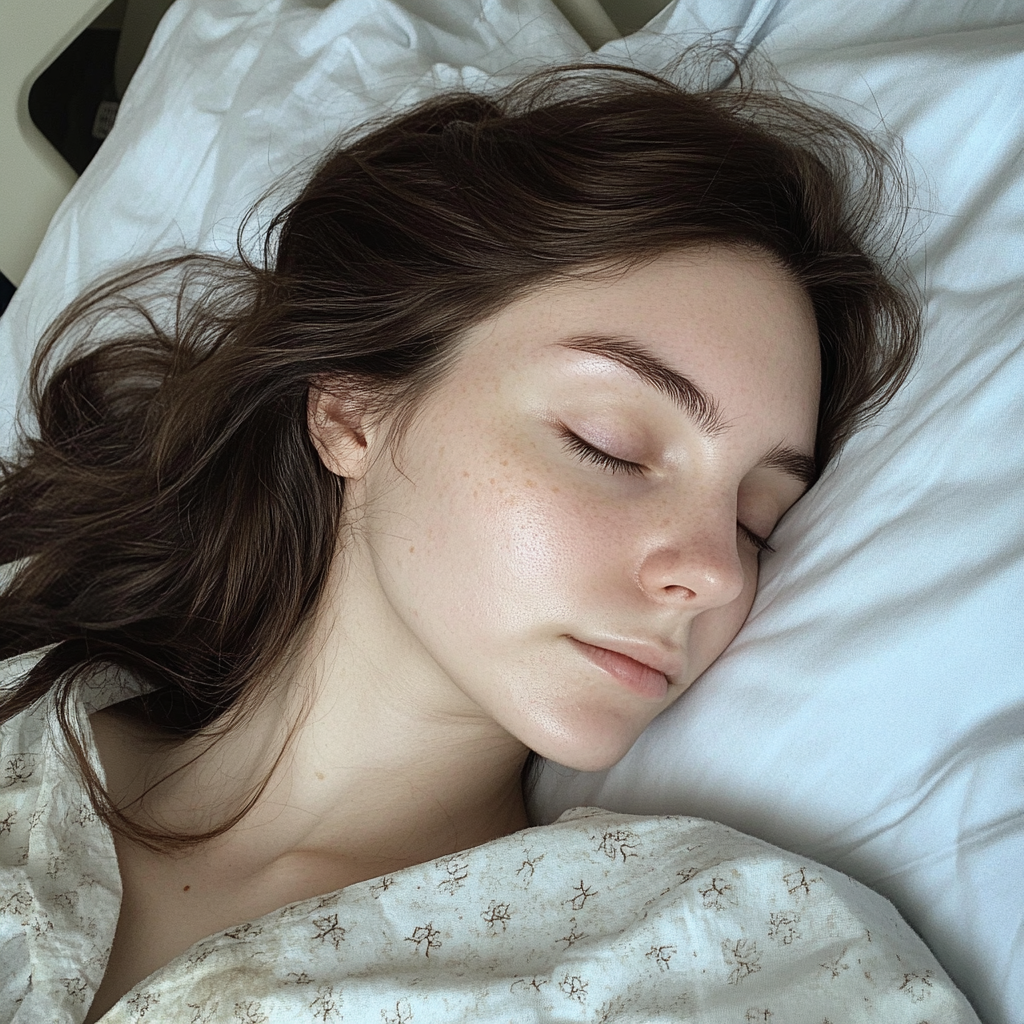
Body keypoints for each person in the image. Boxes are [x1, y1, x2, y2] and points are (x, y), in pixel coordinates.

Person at [0, 61, 980, 1022]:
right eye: (612, 446)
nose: (715, 572)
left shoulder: (744, 956)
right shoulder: (22, 722)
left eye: (756, 520)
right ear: (351, 411)